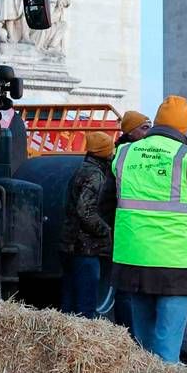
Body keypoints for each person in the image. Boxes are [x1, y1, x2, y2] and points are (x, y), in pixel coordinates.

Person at [111, 96, 187, 362]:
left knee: (143, 344)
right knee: (167, 346)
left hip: (133, 260)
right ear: (183, 128)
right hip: (176, 264)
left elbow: (106, 205)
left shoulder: (125, 153)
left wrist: (131, 233)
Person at [59, 131, 116, 318]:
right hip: (87, 248)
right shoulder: (95, 175)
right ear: (104, 152)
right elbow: (86, 211)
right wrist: (106, 231)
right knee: (86, 306)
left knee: (69, 303)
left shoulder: (82, 169)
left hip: (71, 245)